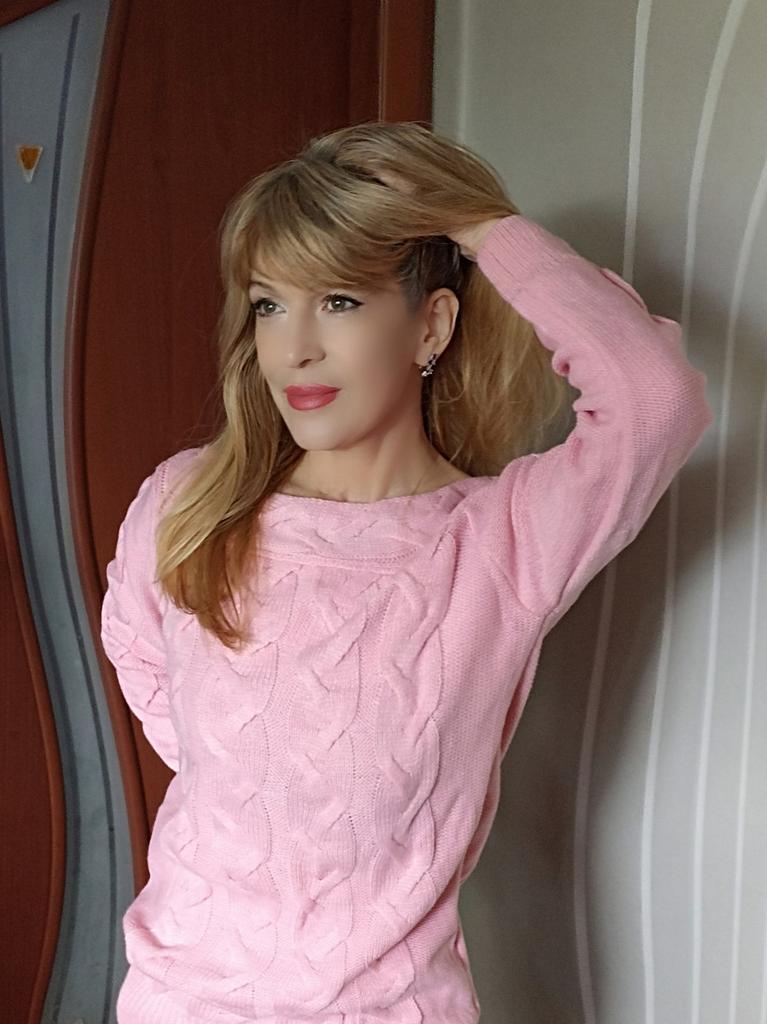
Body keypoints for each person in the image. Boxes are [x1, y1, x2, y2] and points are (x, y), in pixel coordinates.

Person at [101, 120, 714, 1023]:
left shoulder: (503, 541)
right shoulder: (186, 502)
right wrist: (285, 784)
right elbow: (148, 668)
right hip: (175, 1001)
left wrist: (478, 225)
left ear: (430, 324)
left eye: (338, 300)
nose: (294, 349)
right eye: (269, 305)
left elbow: (652, 400)